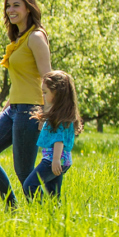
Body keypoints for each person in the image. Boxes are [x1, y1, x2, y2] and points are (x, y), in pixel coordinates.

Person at [0, 0, 52, 206]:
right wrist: (9, 105)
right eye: (8, 6)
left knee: (24, 172)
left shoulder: (36, 37)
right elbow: (23, 78)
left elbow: (48, 77)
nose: (10, 10)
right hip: (14, 109)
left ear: (28, 8)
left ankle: (44, 214)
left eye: (16, 5)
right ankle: (12, 207)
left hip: (31, 110)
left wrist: (46, 115)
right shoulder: (19, 38)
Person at [23, 70, 82, 200]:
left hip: (53, 160)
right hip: (61, 160)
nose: (43, 96)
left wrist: (55, 160)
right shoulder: (61, 114)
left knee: (29, 185)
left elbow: (58, 139)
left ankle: (43, 208)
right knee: (54, 194)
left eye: (45, 92)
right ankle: (54, 215)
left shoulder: (59, 117)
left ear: (57, 93)